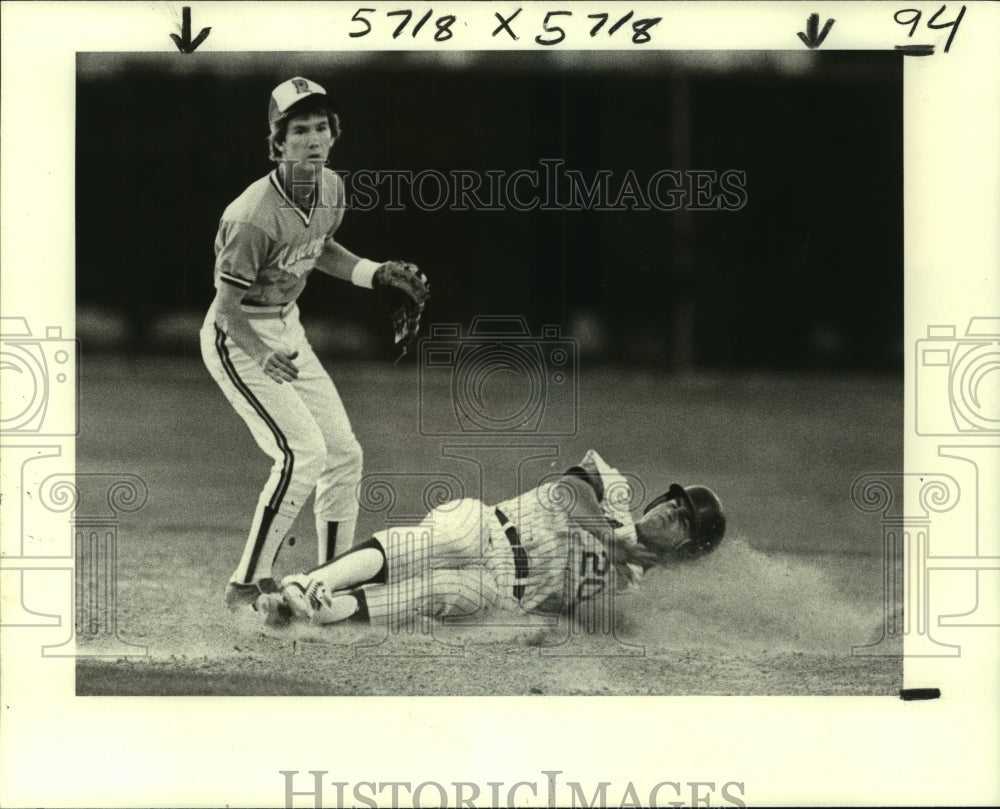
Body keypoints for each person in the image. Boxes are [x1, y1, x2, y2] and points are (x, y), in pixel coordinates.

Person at [199, 76, 424, 610]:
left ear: (334, 134)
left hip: (286, 328)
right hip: (239, 338)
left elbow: (317, 246)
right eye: (299, 130)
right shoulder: (250, 214)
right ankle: (245, 584)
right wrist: (261, 353)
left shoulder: (332, 189)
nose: (313, 139)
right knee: (302, 453)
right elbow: (227, 310)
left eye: (322, 127)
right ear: (278, 143)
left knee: (344, 453)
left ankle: (330, 579)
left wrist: (372, 273)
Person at [256, 449, 726, 628]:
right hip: (486, 528)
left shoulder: (629, 589)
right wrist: (610, 537)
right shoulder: (618, 495)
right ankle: (306, 581)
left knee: (441, 592)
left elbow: (572, 618)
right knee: (447, 542)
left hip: (501, 591)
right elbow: (571, 487)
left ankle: (314, 611)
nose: (669, 510)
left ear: (687, 551)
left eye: (683, 519)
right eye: (673, 501)